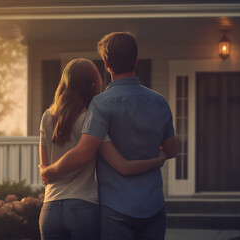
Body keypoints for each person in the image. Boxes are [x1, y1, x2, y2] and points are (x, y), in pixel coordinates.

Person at [40, 32, 177, 240]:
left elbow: (81, 153)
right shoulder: (159, 102)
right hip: (152, 204)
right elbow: (172, 150)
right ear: (136, 59)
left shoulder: (99, 105)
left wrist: (47, 171)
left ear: (106, 63)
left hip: (112, 207)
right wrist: (157, 158)